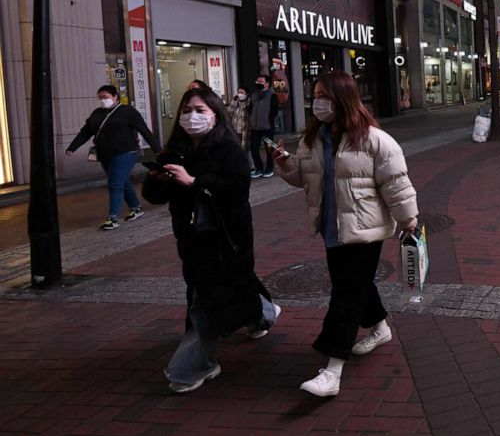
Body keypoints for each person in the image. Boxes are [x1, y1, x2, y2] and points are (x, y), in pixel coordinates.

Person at [274, 71, 418, 398]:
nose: (317, 102)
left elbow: (396, 182)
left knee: (345, 294)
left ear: (343, 98)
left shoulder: (374, 140)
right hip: (331, 230)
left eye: (324, 95)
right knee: (356, 285)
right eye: (315, 94)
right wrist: (285, 164)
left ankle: (332, 368)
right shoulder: (313, 139)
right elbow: (305, 179)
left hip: (365, 230)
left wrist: (408, 218)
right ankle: (380, 328)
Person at [142, 88, 279, 393]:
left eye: (201, 110)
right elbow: (153, 197)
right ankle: (262, 314)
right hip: (190, 236)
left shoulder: (228, 147)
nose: (192, 116)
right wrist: (157, 180)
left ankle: (190, 367)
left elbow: (237, 188)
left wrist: (194, 182)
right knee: (229, 285)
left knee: (204, 299)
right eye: (187, 110)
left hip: (225, 235)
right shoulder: (173, 151)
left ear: (215, 114)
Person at [66, 85, 161, 231]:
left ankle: (113, 218)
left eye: (105, 97)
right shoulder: (97, 113)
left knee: (115, 183)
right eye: (100, 97)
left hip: (126, 153)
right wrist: (72, 147)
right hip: (105, 154)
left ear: (115, 96)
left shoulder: (128, 111)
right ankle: (136, 208)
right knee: (121, 182)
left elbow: (144, 131)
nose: (103, 100)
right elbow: (86, 132)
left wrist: (159, 151)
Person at [248, 74, 280, 178]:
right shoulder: (254, 95)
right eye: (257, 81)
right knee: (253, 148)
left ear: (267, 83)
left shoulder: (272, 95)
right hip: (254, 128)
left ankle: (269, 169)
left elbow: (275, 110)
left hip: (267, 127)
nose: (259, 83)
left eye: (261, 81)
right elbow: (250, 108)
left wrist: (267, 119)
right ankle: (259, 168)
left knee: (269, 149)